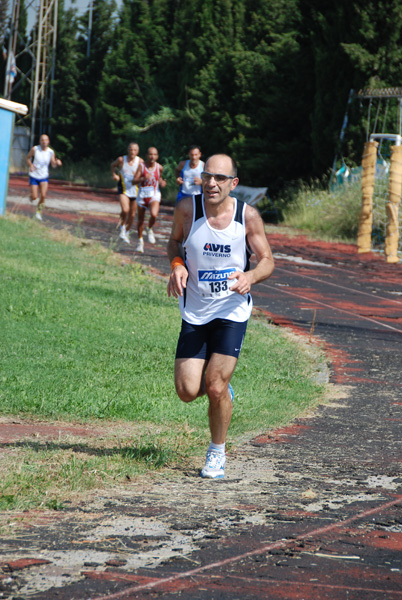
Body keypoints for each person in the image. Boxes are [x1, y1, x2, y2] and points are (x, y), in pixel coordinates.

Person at [167, 154, 274, 479]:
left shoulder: (247, 216)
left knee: (213, 385)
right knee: (186, 391)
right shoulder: (188, 209)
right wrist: (177, 265)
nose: (212, 183)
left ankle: (217, 452)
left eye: (220, 178)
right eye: (207, 177)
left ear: (233, 183)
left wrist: (251, 277)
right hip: (196, 311)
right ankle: (223, 390)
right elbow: (174, 241)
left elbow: (267, 259)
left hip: (231, 311)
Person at [133, 146, 166, 253]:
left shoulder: (159, 167)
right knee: (141, 220)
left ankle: (150, 228)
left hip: (154, 194)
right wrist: (143, 178)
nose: (152, 156)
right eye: (150, 154)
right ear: (147, 156)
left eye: (154, 154)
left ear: (157, 156)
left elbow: (159, 178)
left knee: (154, 214)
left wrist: (162, 182)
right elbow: (134, 181)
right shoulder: (141, 166)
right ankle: (140, 241)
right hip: (142, 195)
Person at [111, 142, 143, 244]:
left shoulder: (140, 162)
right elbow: (113, 165)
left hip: (136, 191)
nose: (132, 152)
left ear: (137, 151)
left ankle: (126, 231)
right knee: (125, 210)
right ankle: (121, 228)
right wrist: (114, 174)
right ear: (127, 150)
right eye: (130, 149)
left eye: (134, 150)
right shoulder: (121, 160)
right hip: (123, 189)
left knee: (132, 215)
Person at [26, 134, 62, 221]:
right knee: (35, 197)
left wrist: (57, 163)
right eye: (42, 140)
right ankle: (31, 196)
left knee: (43, 195)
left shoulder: (51, 152)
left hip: (44, 176)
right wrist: (31, 165)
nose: (44, 142)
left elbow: (53, 165)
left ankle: (38, 212)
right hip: (34, 175)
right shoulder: (35, 149)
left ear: (48, 141)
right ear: (40, 141)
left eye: (46, 140)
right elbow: (28, 158)